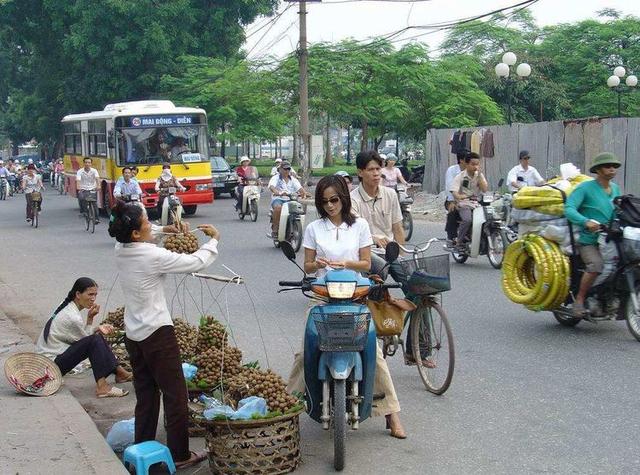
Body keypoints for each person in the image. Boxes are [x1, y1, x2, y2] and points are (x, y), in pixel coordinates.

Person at [286, 175, 406, 439]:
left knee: (374, 352)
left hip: (354, 296)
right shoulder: (314, 228)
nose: (330, 205)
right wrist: (316, 265)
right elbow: (307, 265)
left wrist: (346, 265)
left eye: (334, 199)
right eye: (324, 201)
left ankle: (391, 412)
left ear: (343, 198)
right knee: (304, 352)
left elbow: (366, 263)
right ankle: (287, 413)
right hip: (322, 296)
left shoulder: (360, 226)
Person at [108, 200, 221, 469]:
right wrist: (214, 240)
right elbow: (196, 262)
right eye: (147, 222)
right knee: (175, 395)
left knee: (146, 395)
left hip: (134, 334)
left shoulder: (120, 248)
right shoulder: (152, 256)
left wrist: (167, 229)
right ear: (136, 233)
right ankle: (180, 455)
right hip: (157, 333)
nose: (151, 225)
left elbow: (150, 233)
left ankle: (143, 444)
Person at [35, 278, 132, 398]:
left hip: (50, 360)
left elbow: (83, 339)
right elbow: (88, 342)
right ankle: (102, 386)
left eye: (95, 295)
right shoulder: (72, 317)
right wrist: (93, 324)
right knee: (96, 340)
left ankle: (121, 373)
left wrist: (91, 320)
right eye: (90, 294)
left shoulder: (66, 305)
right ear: (78, 294)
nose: (93, 299)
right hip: (51, 366)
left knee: (96, 338)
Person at [565, 152, 622, 318]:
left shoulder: (616, 189)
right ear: (598, 169)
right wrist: (585, 222)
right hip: (589, 240)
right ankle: (580, 300)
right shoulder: (585, 188)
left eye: (614, 166)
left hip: (611, 238)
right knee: (596, 265)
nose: (612, 169)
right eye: (607, 166)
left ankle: (610, 296)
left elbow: (619, 211)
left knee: (626, 264)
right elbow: (568, 208)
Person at [350, 150, 405, 284]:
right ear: (360, 172)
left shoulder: (391, 194)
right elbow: (355, 232)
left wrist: (402, 255)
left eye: (378, 169)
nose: (375, 173)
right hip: (367, 253)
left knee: (413, 283)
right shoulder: (352, 199)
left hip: (390, 251)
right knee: (368, 285)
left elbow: (397, 228)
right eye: (370, 169)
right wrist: (373, 239)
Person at [450, 152, 488, 250]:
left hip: (477, 203)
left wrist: (479, 176)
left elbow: (484, 189)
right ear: (467, 164)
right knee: (467, 220)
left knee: (488, 218)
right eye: (473, 164)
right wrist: (460, 197)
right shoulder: (460, 176)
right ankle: (459, 242)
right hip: (464, 203)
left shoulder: (479, 175)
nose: (476, 167)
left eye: (477, 164)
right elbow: (454, 192)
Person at [268, 160, 308, 238]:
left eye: (288, 169)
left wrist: (304, 193)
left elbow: (300, 188)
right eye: (285, 169)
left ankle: (297, 229)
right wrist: (277, 192)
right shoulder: (275, 178)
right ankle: (275, 230)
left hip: (291, 199)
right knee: (278, 208)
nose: (287, 171)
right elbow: (272, 187)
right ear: (280, 169)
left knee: (298, 210)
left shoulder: (293, 179)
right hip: (278, 199)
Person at [444, 151, 467, 247]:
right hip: (452, 199)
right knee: (453, 211)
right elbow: (450, 187)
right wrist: (452, 201)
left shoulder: (472, 170)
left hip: (468, 199)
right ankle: (451, 236)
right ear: (461, 160)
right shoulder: (452, 170)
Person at [76, 157, 101, 223]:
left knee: (94, 203)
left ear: (91, 164)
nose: (87, 164)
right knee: (81, 198)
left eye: (89, 163)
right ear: (84, 163)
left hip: (92, 188)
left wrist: (98, 186)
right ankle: (84, 212)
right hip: (83, 188)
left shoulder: (94, 171)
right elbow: (78, 181)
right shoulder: (80, 171)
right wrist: (79, 188)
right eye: (86, 162)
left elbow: (97, 178)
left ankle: (96, 219)